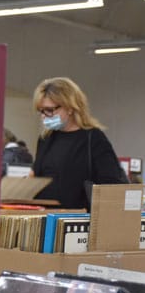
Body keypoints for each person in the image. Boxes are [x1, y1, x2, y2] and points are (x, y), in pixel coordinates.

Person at [32, 77, 127, 209]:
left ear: (70, 107)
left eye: (49, 110)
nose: (44, 116)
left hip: (79, 219)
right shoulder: (45, 139)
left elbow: (111, 182)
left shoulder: (93, 138)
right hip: (45, 216)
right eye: (41, 111)